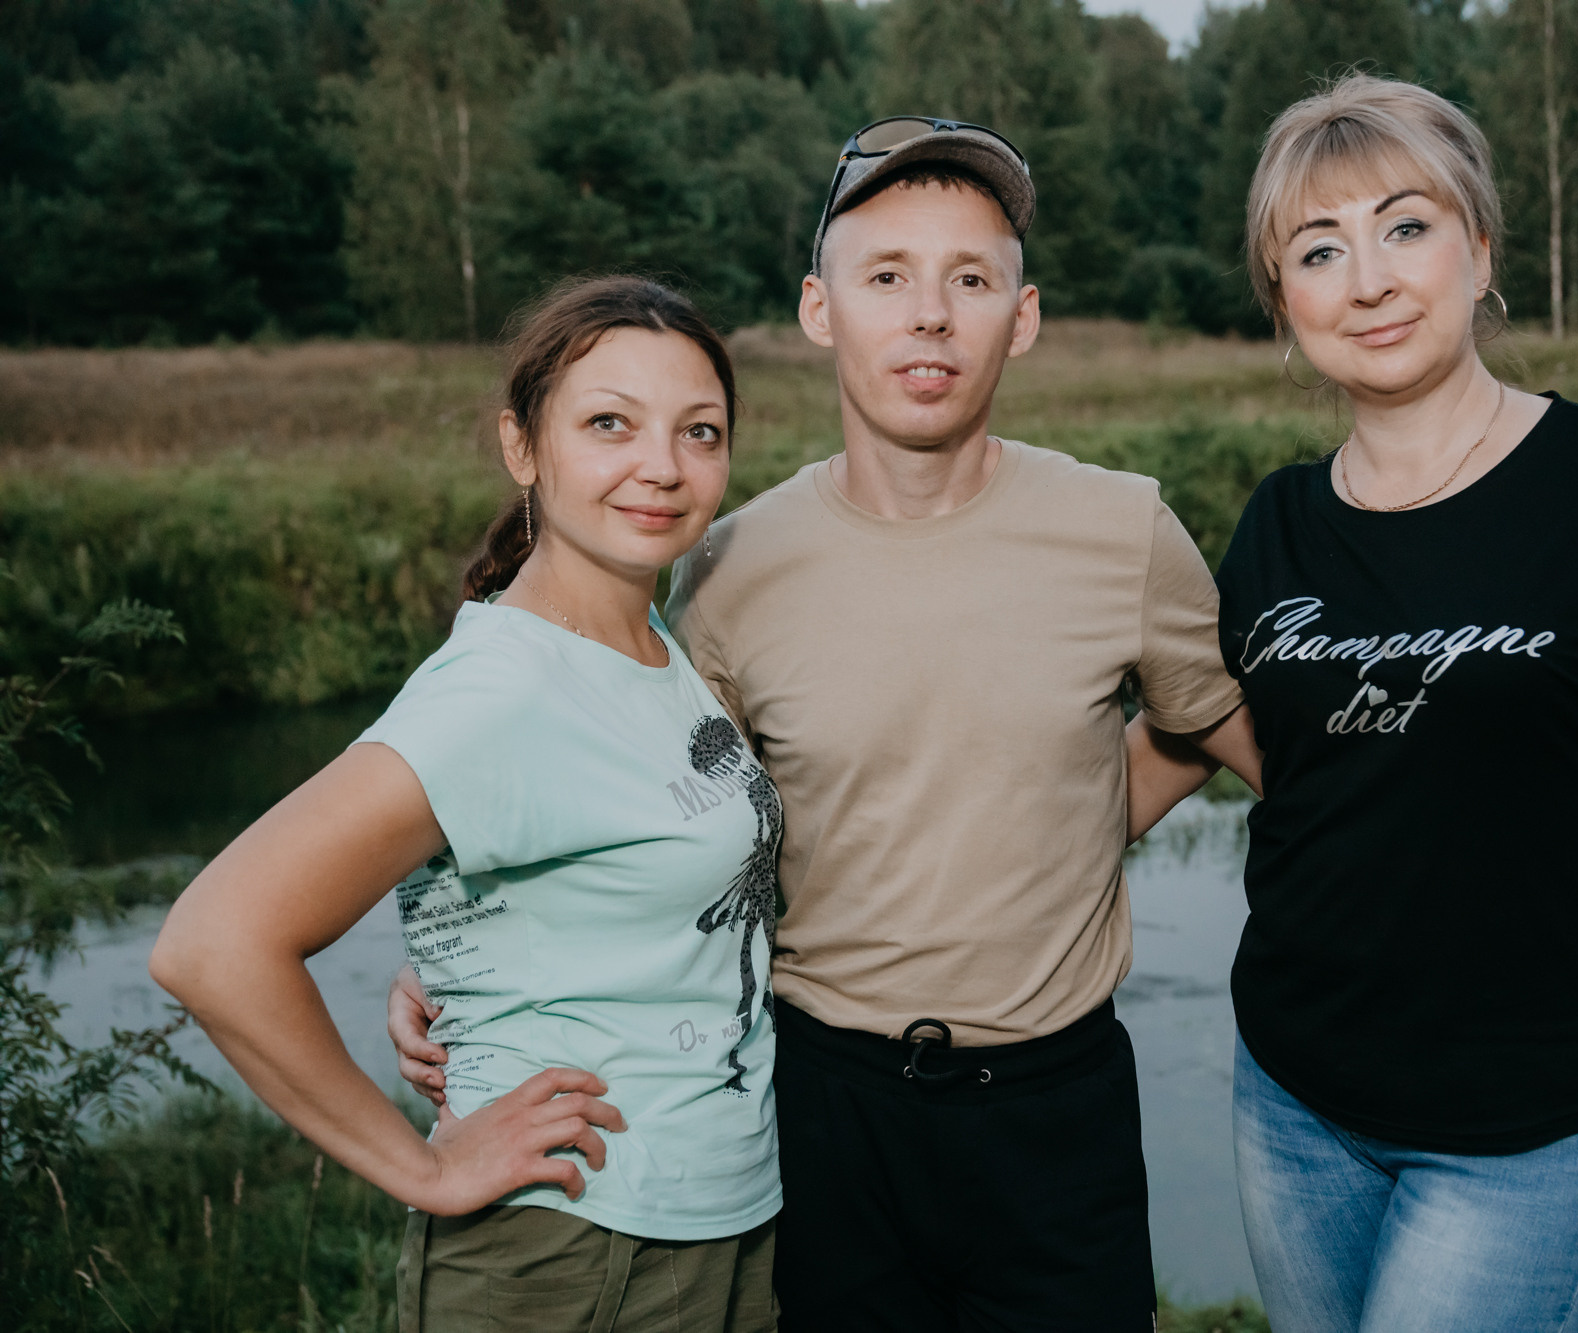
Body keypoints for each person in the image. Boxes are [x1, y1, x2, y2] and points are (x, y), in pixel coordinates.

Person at [389, 120, 1262, 1330]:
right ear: (819, 308)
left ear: (1022, 315)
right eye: (887, 276)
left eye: (971, 279)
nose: (929, 314)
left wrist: (1061, 823)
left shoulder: (1124, 532)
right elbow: (641, 817)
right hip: (817, 1104)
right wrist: (455, 966)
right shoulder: (730, 562)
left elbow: (1220, 729)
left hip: (1055, 1111)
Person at [1150, 74, 1578, 1333]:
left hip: (1538, 1130)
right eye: (1316, 250)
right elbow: (1174, 753)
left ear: (1480, 246)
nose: (1368, 279)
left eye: (1405, 226)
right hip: (1293, 1104)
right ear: (1284, 303)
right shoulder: (1276, 523)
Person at [152, 276, 783, 1333]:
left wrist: (449, 947)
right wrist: (423, 1166)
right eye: (608, 425)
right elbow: (213, 943)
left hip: (719, 1226)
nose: (663, 467)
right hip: (575, 1249)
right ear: (521, 446)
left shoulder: (651, 641)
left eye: (700, 431)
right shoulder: (502, 691)